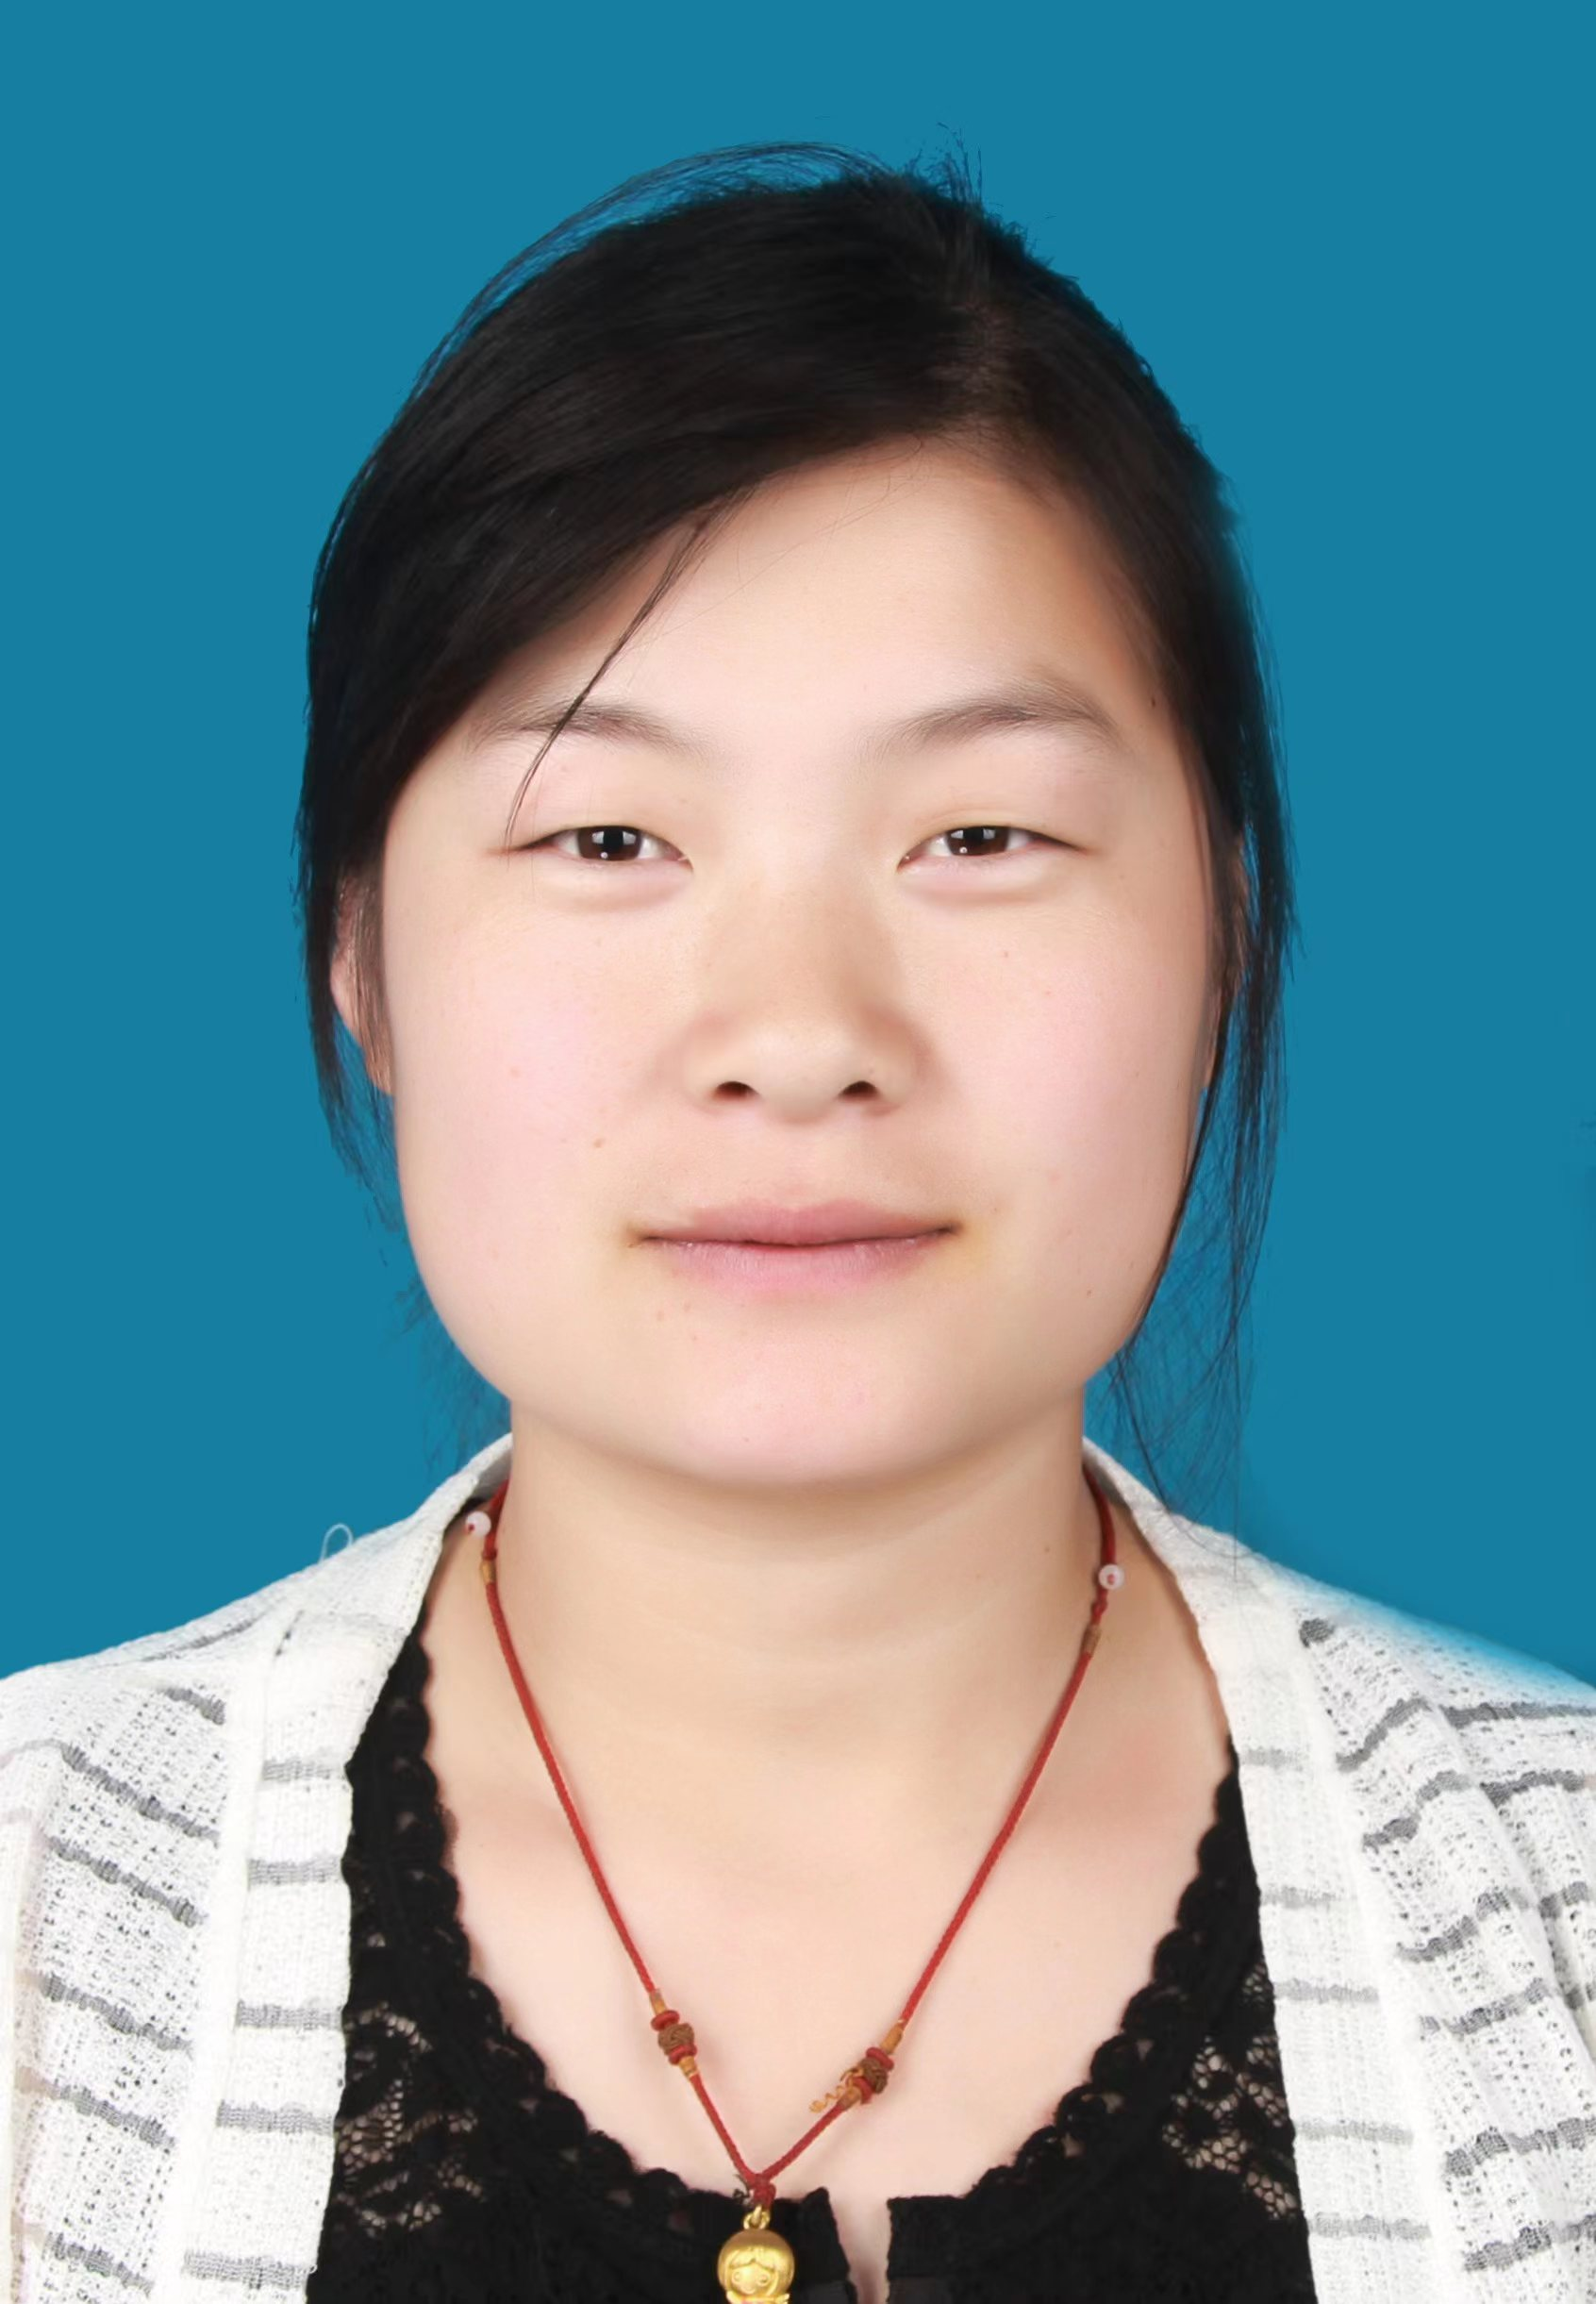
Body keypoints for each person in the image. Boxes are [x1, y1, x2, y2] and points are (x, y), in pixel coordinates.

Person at [1, 141, 1591, 2304]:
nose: (801, 1038)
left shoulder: (1560, 1914)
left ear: (1222, 938)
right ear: (359, 954)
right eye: (611, 837)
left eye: (980, 835)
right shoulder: (36, 1914)